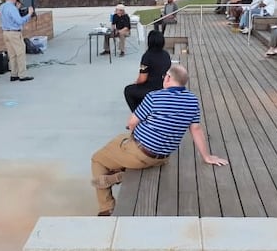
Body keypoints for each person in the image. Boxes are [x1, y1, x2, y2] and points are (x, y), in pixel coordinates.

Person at [91, 64, 229, 216]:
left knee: (98, 159)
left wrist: (134, 129)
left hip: (139, 154)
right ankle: (120, 173)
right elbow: (196, 129)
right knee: (121, 141)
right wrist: (207, 157)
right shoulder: (192, 100)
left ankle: (106, 207)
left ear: (168, 78)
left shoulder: (154, 97)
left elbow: (131, 123)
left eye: (165, 76)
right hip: (162, 158)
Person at [123, 30, 171, 112]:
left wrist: (136, 82)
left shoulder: (147, 56)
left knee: (128, 90)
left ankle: (138, 114)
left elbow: (142, 79)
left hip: (150, 88)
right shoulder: (166, 54)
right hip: (163, 86)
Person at [0, 0, 34, 82]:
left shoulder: (2, 7)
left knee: (12, 54)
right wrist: (29, 14)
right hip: (14, 33)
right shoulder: (12, 8)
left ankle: (13, 74)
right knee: (20, 53)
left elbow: (9, 17)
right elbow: (19, 21)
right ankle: (22, 75)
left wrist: (17, 9)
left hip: (6, 32)